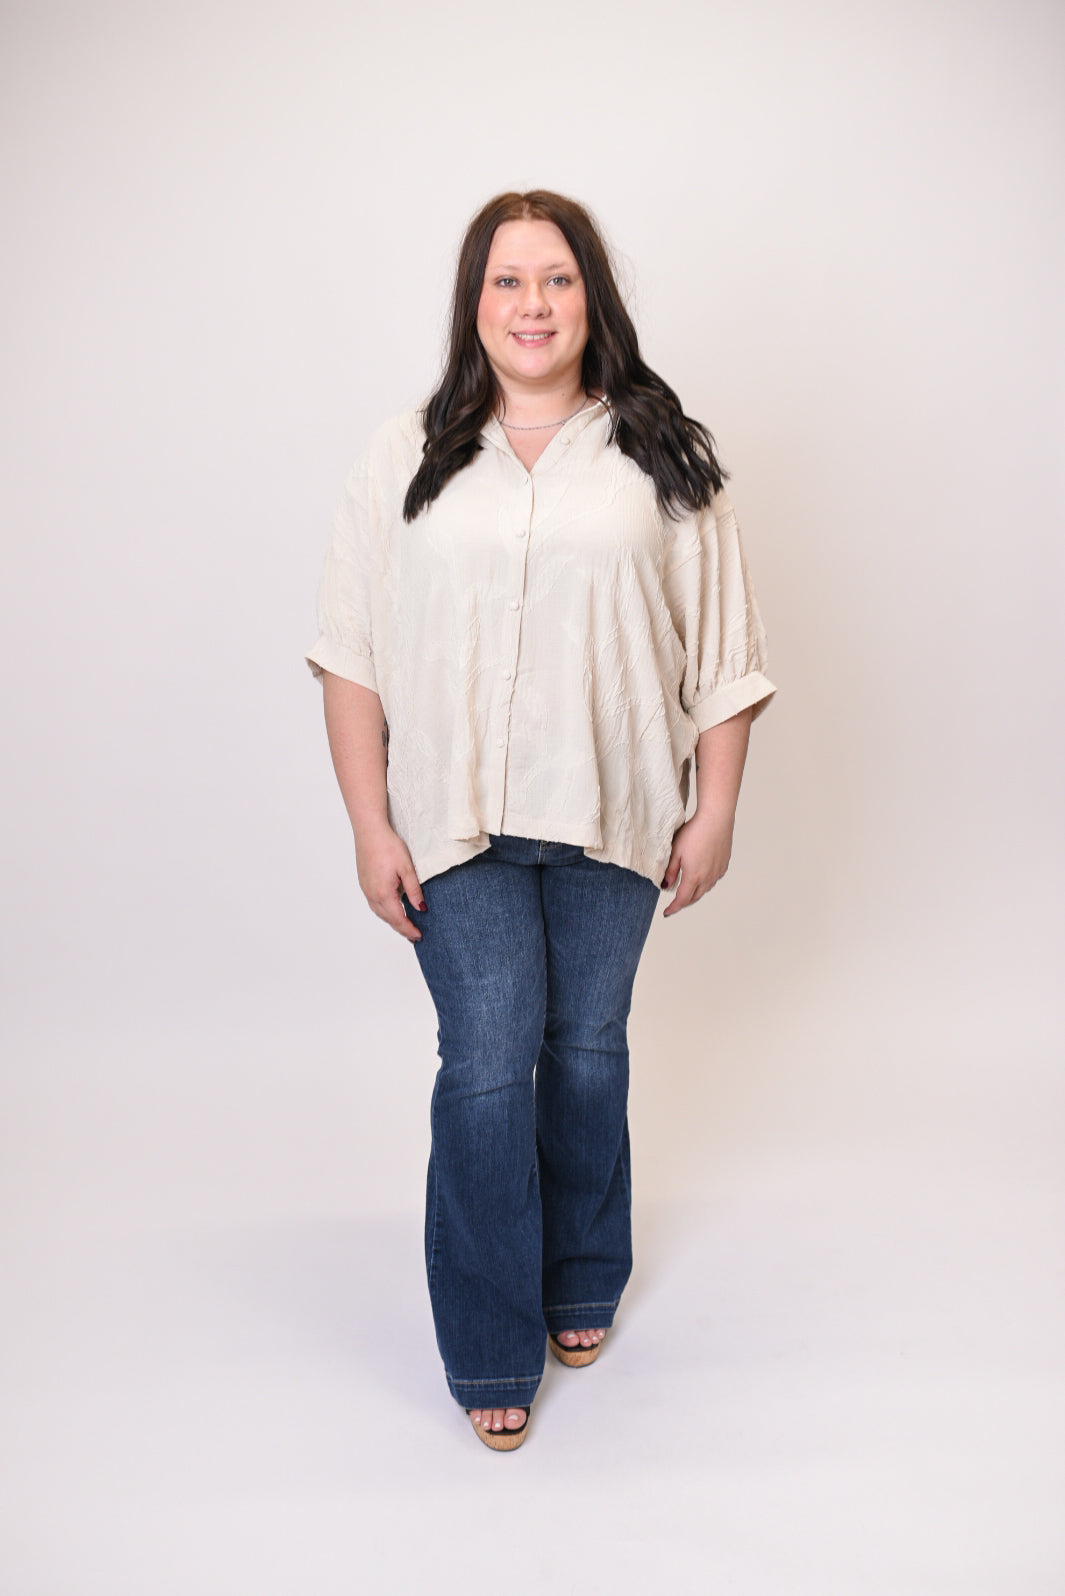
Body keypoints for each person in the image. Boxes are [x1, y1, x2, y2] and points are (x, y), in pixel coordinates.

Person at [306, 190, 774, 1451]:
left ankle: (580, 1271)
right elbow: (350, 653)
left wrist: (719, 807)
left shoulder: (661, 453)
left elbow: (724, 649)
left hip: (616, 812)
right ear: (476, 304)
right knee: (487, 1061)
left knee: (585, 1050)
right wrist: (369, 825)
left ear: (590, 297)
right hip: (453, 819)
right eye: (508, 281)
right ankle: (487, 1338)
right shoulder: (404, 456)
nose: (533, 305)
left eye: (556, 279)